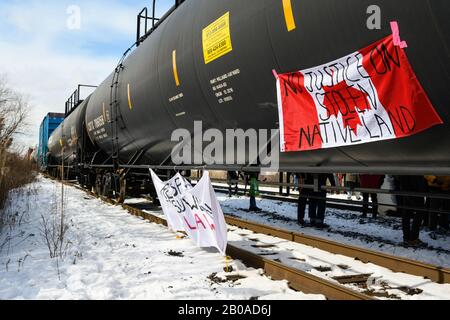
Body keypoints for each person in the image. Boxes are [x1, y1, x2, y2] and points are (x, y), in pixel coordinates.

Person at [395, 176, 428, 248]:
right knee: (420, 212)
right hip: (416, 189)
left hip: (406, 187)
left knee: (406, 213)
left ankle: (407, 238)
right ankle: (413, 238)